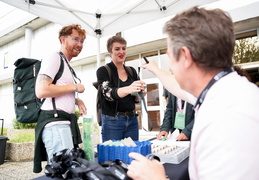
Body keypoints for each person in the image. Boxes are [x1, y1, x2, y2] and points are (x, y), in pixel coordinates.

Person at [127, 6, 259, 180]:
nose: (171, 67)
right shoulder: (222, 92)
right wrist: (156, 70)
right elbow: (176, 87)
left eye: (169, 57)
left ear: (185, 56)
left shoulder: (228, 118)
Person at [33, 24, 87, 173]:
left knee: (67, 171)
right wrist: (74, 87)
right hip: (55, 124)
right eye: (76, 39)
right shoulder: (54, 58)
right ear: (63, 39)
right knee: (62, 171)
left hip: (63, 123)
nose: (80, 44)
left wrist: (77, 100)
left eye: (82, 41)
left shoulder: (66, 63)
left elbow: (57, 89)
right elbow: (41, 90)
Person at [96, 35, 146, 142]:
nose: (121, 52)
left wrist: (139, 94)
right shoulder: (103, 71)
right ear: (110, 51)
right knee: (113, 156)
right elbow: (108, 93)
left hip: (132, 119)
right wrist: (129, 88)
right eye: (117, 49)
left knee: (132, 154)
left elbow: (135, 99)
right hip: (112, 121)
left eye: (124, 48)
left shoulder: (131, 71)